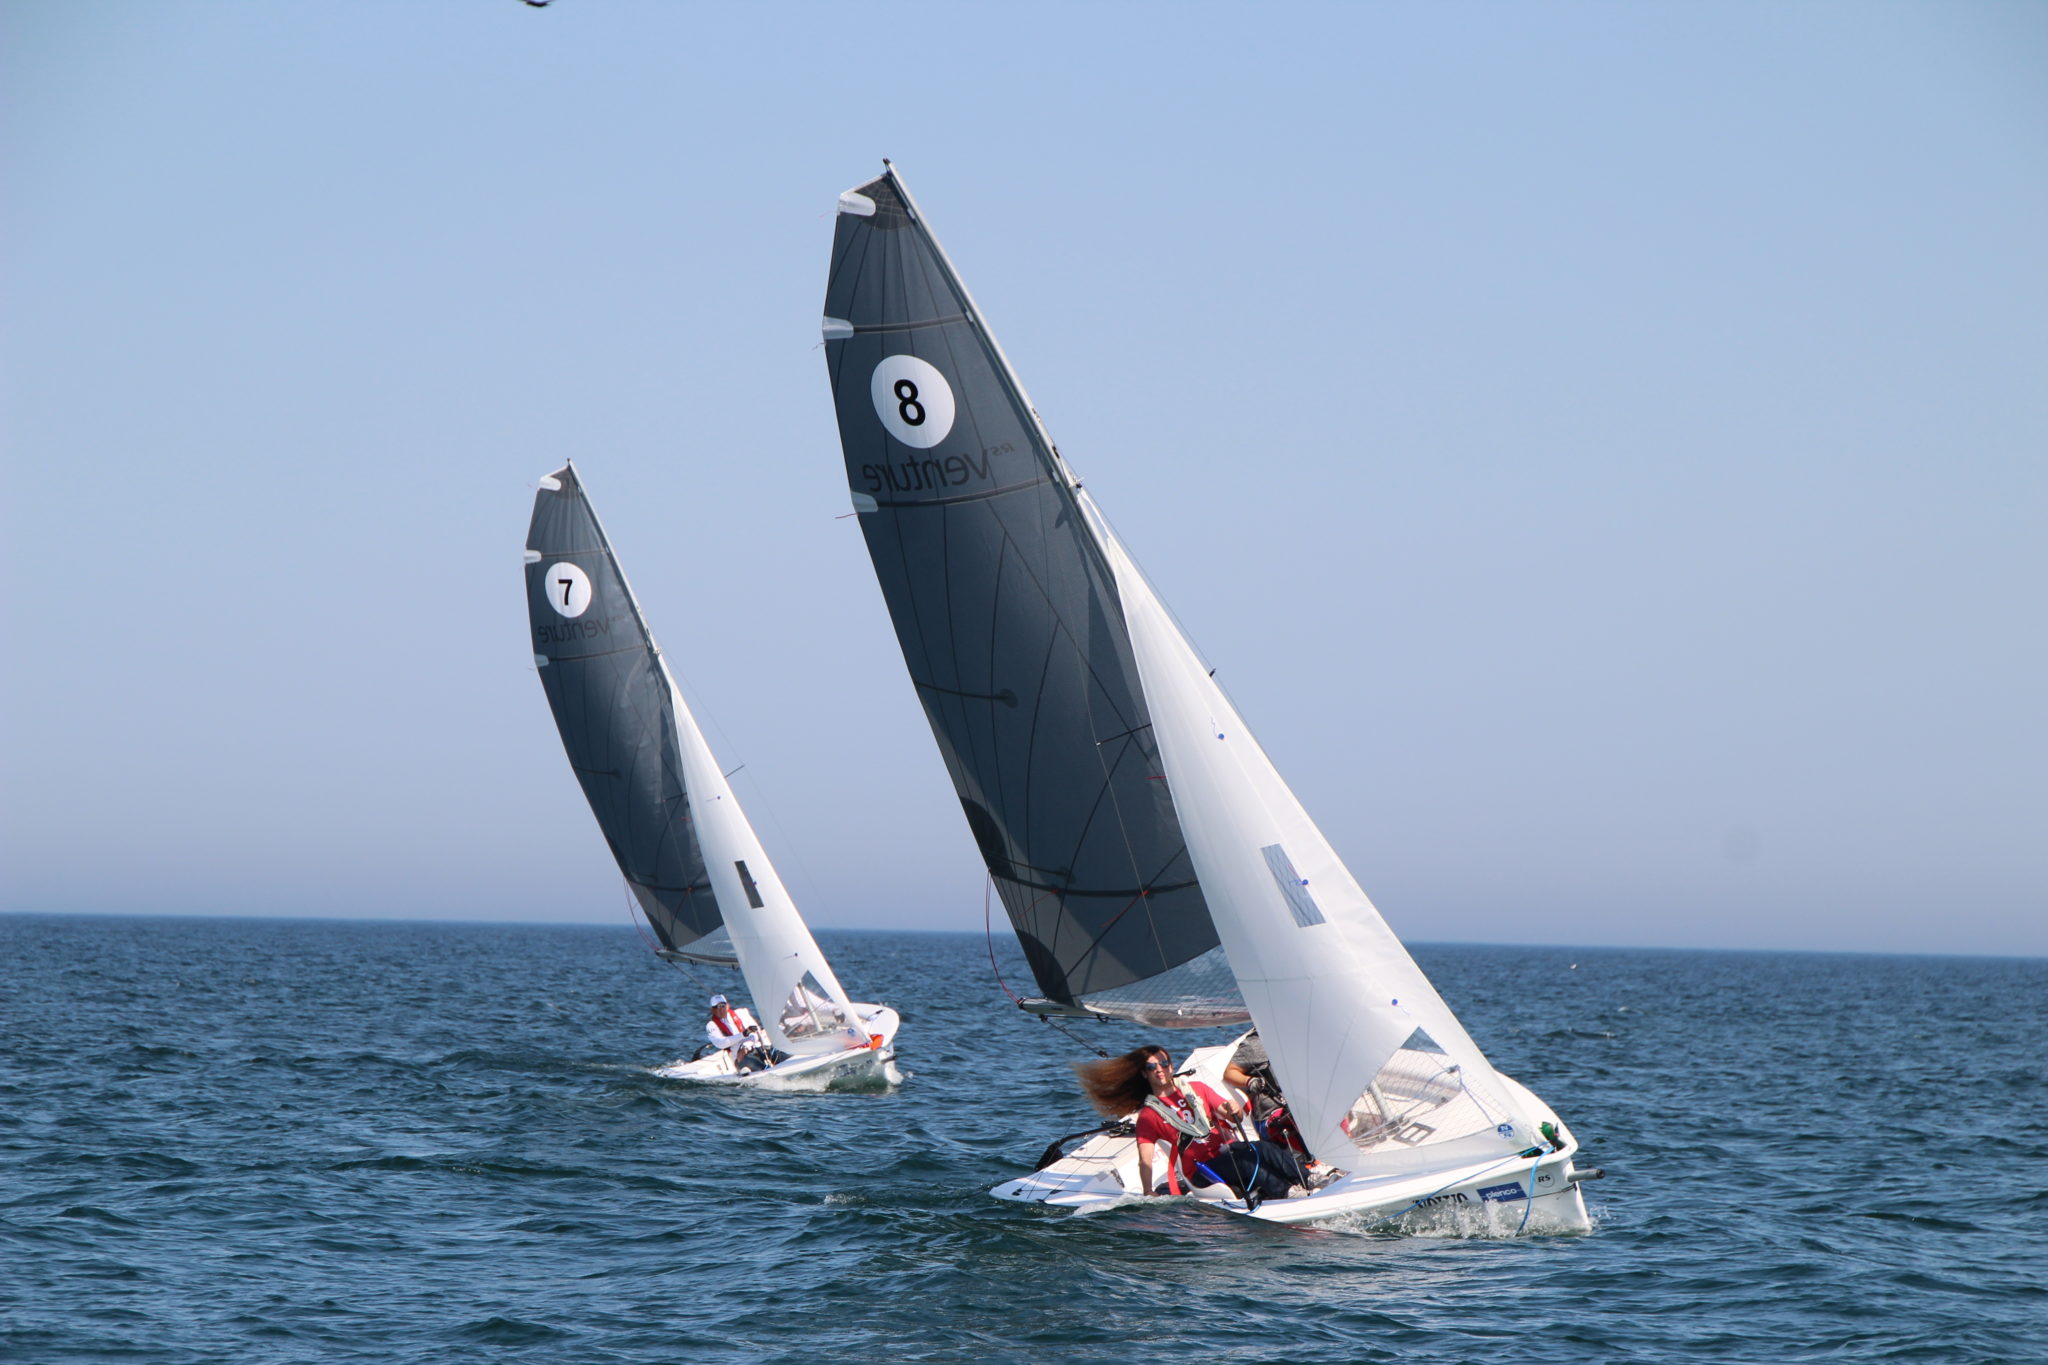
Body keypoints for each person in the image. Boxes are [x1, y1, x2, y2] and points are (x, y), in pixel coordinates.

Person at [1077, 1045, 1308, 1208]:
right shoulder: (1148, 1115)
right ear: (1144, 1074)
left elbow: (1227, 1111)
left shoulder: (1197, 1089)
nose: (1160, 1069)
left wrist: (1232, 1110)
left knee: (1261, 1148)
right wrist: (1148, 1190)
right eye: (1152, 1067)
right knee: (1245, 1160)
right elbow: (1145, 1159)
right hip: (1201, 1172)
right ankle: (1286, 1193)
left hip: (1227, 1152)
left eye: (1164, 1063)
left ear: (1171, 1066)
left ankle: (1306, 1180)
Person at [704, 994, 774, 1073]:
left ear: (727, 1006)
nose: (721, 1009)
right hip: (741, 1058)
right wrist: (743, 1034)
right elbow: (721, 1043)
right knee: (763, 1069)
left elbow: (755, 1031)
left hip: (758, 1048)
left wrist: (745, 1047)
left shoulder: (742, 1013)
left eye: (722, 1005)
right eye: (717, 1007)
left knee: (781, 1056)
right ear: (712, 1010)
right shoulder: (711, 1026)